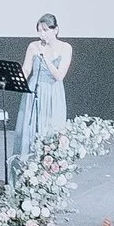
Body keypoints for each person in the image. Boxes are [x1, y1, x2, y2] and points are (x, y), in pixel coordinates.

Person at [15, 13, 71, 160]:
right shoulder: (33, 46)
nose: (42, 34)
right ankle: (28, 169)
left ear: (56, 30)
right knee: (31, 129)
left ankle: (50, 170)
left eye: (45, 30)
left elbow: (59, 76)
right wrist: (16, 80)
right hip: (35, 89)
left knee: (52, 130)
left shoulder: (66, 48)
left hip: (53, 91)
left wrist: (45, 57)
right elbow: (26, 69)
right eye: (39, 31)